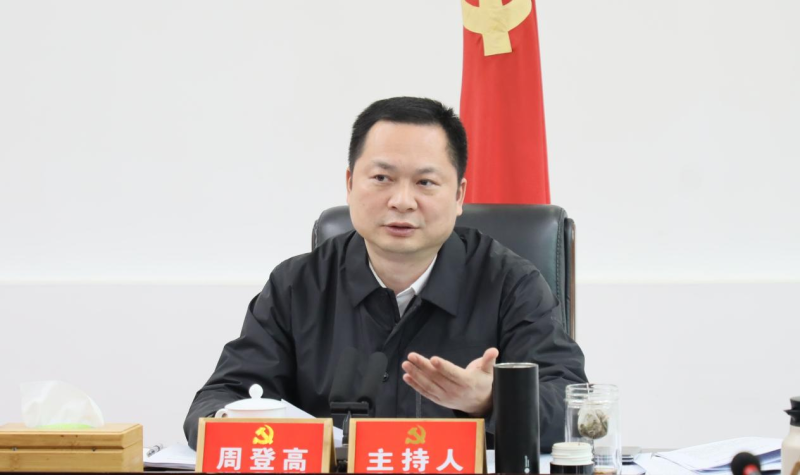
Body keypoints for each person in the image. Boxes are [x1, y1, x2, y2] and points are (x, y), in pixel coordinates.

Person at [184, 97, 587, 451]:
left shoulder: (510, 283)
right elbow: (219, 400)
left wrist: (492, 399)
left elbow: (574, 409)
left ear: (459, 195)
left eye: (425, 182)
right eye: (382, 178)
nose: (402, 201)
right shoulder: (298, 285)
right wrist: (238, 422)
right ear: (349, 184)